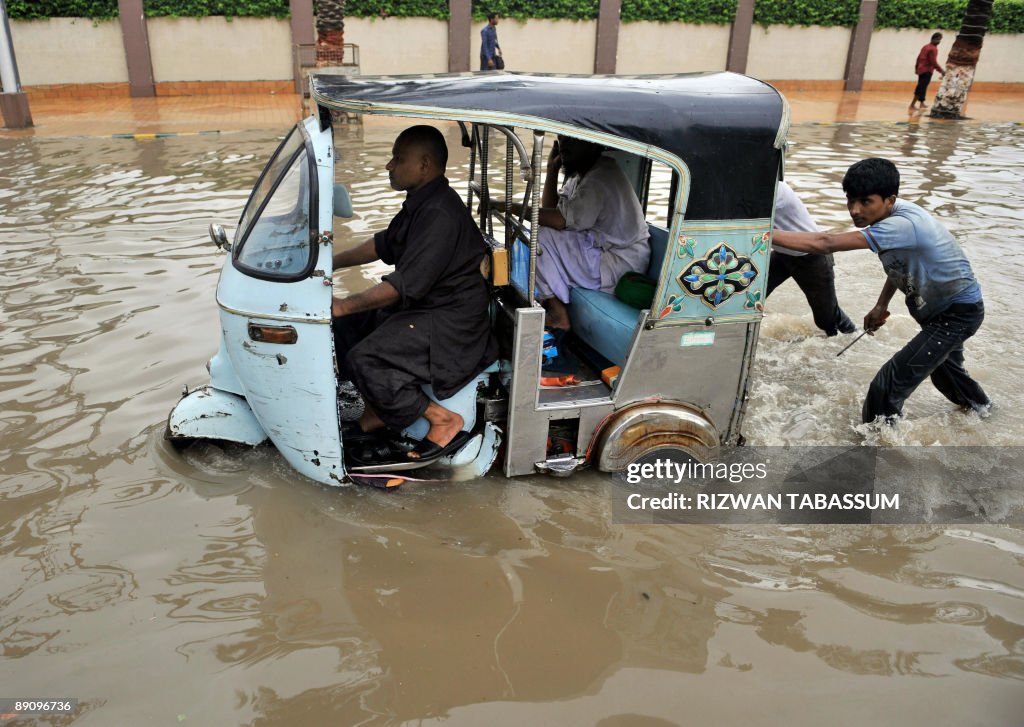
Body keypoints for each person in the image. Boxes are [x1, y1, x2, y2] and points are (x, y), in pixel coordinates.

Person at [772, 158, 991, 424]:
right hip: (943, 312)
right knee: (949, 378)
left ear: (889, 199)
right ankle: (986, 415)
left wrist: (760, 232)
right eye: (850, 200)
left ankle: (875, 454)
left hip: (956, 315)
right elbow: (899, 265)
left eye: (865, 202)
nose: (855, 210)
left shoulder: (900, 225)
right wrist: (881, 305)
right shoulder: (893, 217)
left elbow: (825, 242)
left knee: (885, 389)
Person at [331, 125, 497, 461]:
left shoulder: (439, 213)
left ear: (424, 165)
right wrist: (328, 263)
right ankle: (379, 411)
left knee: (365, 357)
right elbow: (383, 244)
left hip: (450, 322)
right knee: (342, 330)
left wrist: (346, 304)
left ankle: (443, 420)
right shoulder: (422, 202)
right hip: (427, 307)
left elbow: (404, 286)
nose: (389, 166)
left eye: (398, 159)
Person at [493, 136, 649, 331]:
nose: (564, 144)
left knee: (540, 239)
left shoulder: (601, 176)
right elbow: (551, 209)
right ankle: (539, 301)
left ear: (592, 143)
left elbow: (560, 221)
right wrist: (552, 169)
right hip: (598, 252)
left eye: (571, 140)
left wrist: (505, 206)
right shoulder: (579, 176)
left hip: (620, 262)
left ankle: (558, 315)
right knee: (535, 235)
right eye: (561, 139)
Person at [768, 180, 856, 337]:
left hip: (811, 257)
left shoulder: (773, 189)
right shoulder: (752, 187)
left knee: (826, 320)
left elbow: (748, 223)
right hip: (783, 254)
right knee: (749, 292)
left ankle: (853, 336)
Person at [910, 32, 945, 113]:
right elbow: (933, 62)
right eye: (939, 40)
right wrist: (941, 71)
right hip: (927, 70)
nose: (939, 42)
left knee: (923, 86)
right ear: (935, 39)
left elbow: (918, 58)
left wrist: (916, 68)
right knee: (921, 87)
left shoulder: (925, 46)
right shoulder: (933, 49)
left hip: (921, 69)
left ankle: (922, 103)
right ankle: (912, 105)